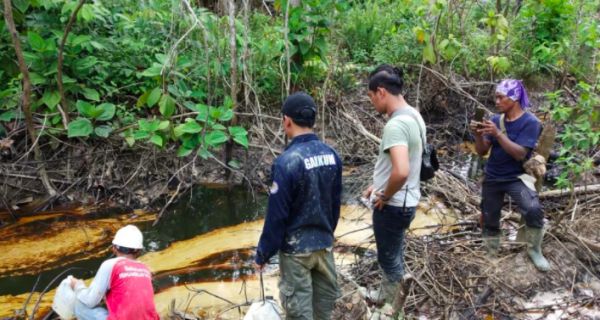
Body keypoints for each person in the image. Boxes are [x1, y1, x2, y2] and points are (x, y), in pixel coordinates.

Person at [254, 92, 343, 320]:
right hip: (324, 247)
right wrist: (325, 234)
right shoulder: (332, 155)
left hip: (296, 254)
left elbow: (277, 217)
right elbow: (334, 206)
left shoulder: (286, 162)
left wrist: (263, 254)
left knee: (299, 315)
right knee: (323, 312)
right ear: (313, 120)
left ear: (287, 121)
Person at [470, 79, 550, 272]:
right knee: (489, 216)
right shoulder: (496, 120)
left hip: (517, 177)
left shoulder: (531, 122)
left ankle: (534, 249)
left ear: (514, 98)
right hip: (493, 176)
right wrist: (478, 135)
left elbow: (520, 154)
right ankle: (491, 251)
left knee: (532, 209)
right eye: (495, 97)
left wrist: (498, 135)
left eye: (501, 97)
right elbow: (481, 152)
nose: (496, 101)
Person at [362, 65, 425, 305]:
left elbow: (401, 171)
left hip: (394, 205)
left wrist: (385, 196)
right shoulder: (414, 116)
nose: (372, 103)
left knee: (388, 259)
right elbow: (406, 164)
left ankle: (390, 304)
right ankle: (391, 294)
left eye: (370, 97)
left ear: (380, 92)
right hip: (409, 200)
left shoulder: (395, 126)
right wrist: (377, 185)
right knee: (394, 252)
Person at [70, 225, 159, 320]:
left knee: (79, 305)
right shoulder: (145, 268)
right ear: (138, 251)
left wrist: (78, 286)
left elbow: (90, 301)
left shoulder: (110, 264)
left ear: (114, 248)